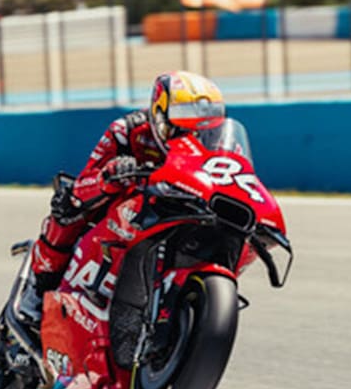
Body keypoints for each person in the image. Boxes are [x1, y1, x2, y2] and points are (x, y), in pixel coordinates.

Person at [18, 70, 227, 323]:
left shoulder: (219, 147)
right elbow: (83, 183)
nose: (194, 139)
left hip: (181, 208)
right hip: (122, 207)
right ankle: (37, 292)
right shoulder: (126, 131)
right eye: (182, 130)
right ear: (160, 118)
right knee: (67, 206)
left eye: (204, 131)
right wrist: (111, 174)